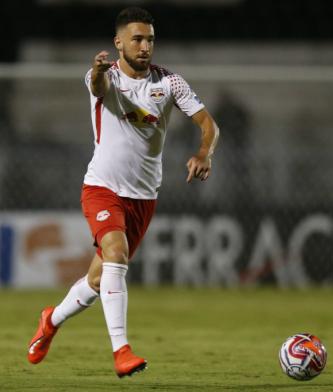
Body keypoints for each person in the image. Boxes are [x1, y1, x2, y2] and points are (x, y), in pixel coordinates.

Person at [27, 6, 219, 378]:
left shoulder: (170, 83)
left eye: (150, 39)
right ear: (119, 43)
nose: (145, 46)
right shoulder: (102, 78)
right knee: (116, 253)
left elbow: (209, 125)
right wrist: (98, 73)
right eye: (137, 39)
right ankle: (122, 351)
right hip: (102, 188)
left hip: (143, 198)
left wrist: (203, 153)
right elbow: (98, 87)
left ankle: (50, 320)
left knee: (100, 279)